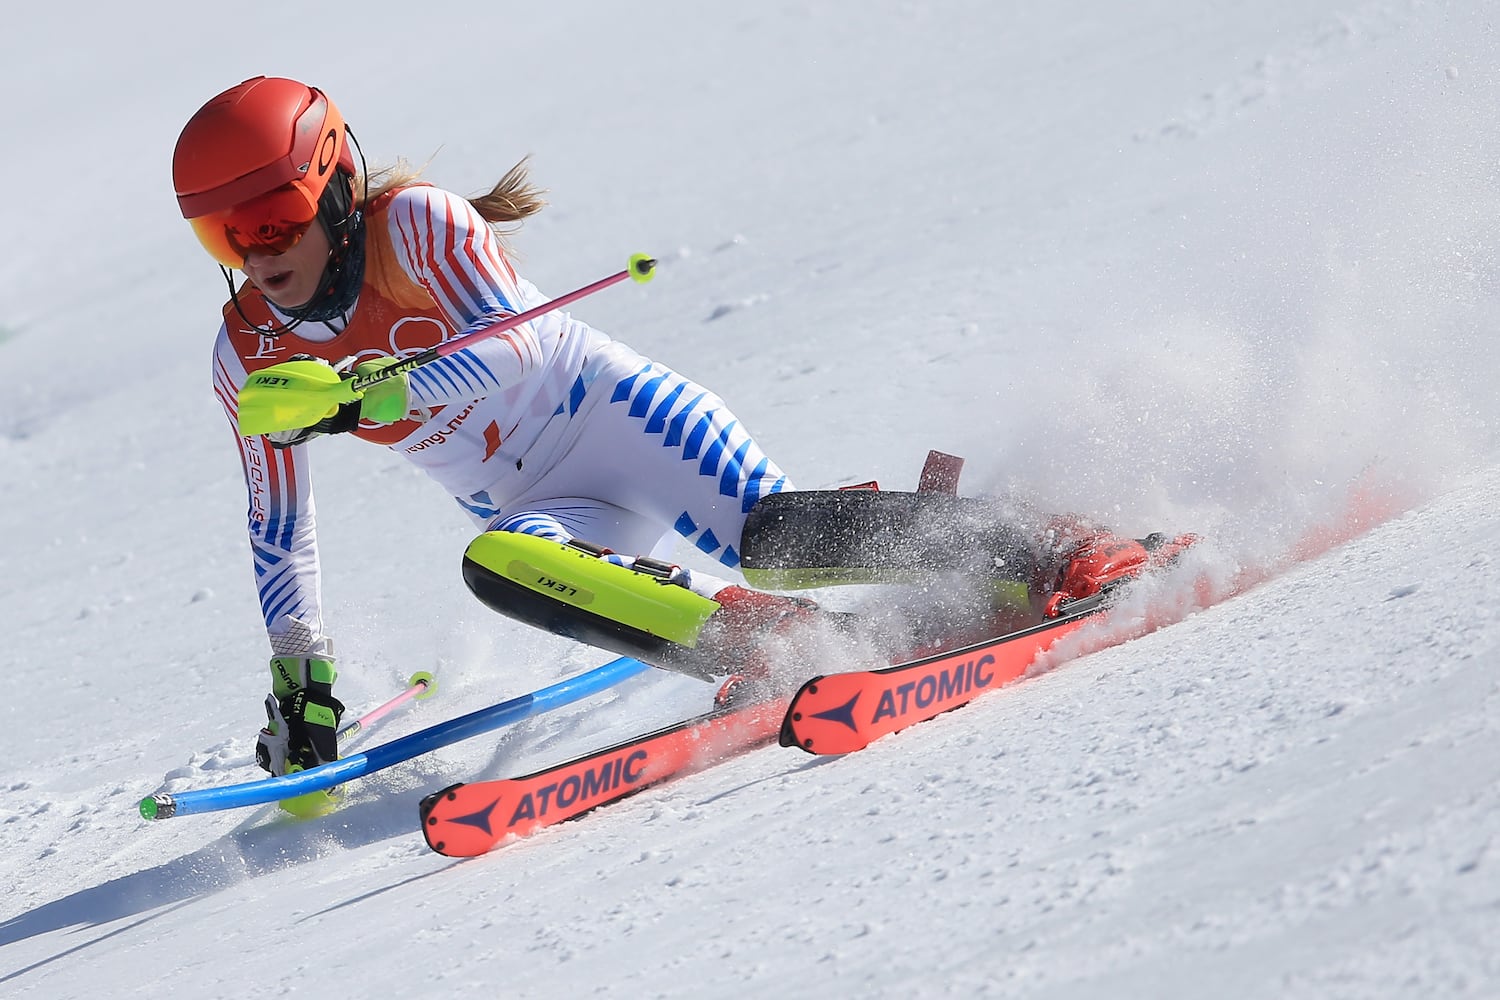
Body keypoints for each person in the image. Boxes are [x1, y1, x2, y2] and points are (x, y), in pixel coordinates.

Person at [172, 76, 1187, 778]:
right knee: (499, 563)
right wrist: (299, 678)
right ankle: (792, 644)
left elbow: (517, 353)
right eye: (226, 231)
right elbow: (277, 527)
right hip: (547, 500)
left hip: (617, 420)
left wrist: (366, 394)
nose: (258, 253)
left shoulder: (422, 226)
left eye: (275, 215)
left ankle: (1053, 546)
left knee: (773, 538)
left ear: (337, 183)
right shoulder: (247, 354)